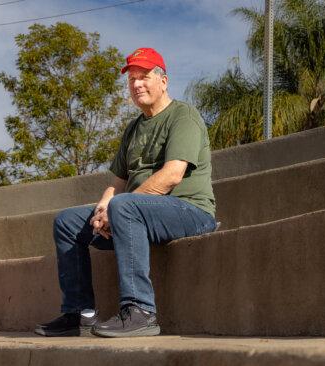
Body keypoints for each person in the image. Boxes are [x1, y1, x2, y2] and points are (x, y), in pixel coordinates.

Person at [35, 47, 217, 338]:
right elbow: (116, 183)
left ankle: (140, 311)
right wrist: (103, 209)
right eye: (132, 79)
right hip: (135, 215)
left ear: (163, 81)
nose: (136, 85)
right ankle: (79, 314)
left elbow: (172, 176)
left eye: (144, 77)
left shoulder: (184, 116)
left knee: (124, 207)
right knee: (67, 223)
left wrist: (118, 206)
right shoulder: (133, 129)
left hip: (189, 211)